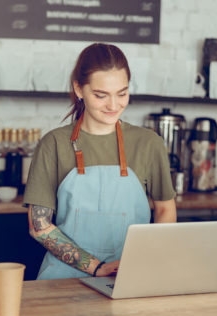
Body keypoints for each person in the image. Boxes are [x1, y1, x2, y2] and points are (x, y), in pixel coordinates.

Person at [23, 43, 177, 280]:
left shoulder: (149, 143)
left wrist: (147, 261)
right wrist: (96, 267)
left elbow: (165, 209)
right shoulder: (53, 144)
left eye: (122, 94)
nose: (114, 106)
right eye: (100, 95)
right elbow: (39, 225)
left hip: (131, 275)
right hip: (63, 279)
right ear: (79, 88)